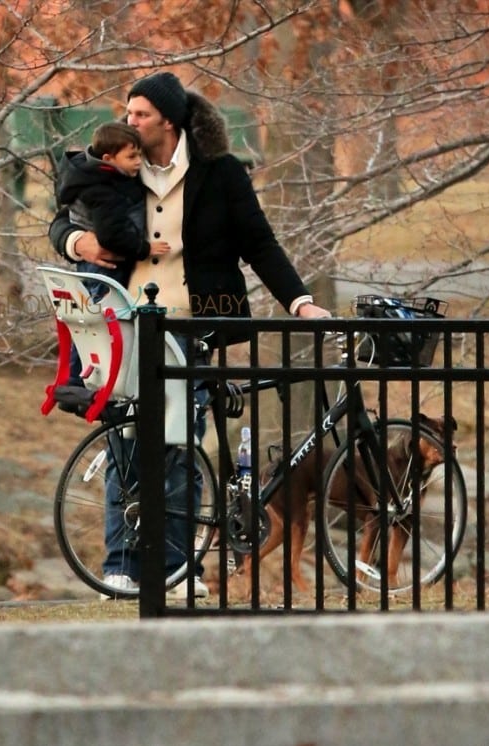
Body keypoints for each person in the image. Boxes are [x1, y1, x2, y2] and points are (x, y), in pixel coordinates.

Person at [49, 71, 330, 601]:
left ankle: (180, 570)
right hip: (123, 326)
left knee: (181, 443)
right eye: (128, 114)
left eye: (141, 116)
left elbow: (260, 243)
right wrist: (80, 243)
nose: (129, 122)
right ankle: (121, 569)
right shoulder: (114, 166)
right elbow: (60, 221)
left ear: (170, 122)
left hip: (192, 326)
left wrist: (300, 301)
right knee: (124, 443)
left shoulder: (219, 173)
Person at [55, 121, 168, 385]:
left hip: (98, 267)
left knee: (90, 321)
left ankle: (80, 378)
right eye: (132, 157)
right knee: (96, 324)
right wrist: (145, 248)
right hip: (104, 267)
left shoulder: (107, 177)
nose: (139, 162)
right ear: (108, 159)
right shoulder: (104, 188)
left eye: (140, 155)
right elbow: (111, 235)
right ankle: (80, 379)